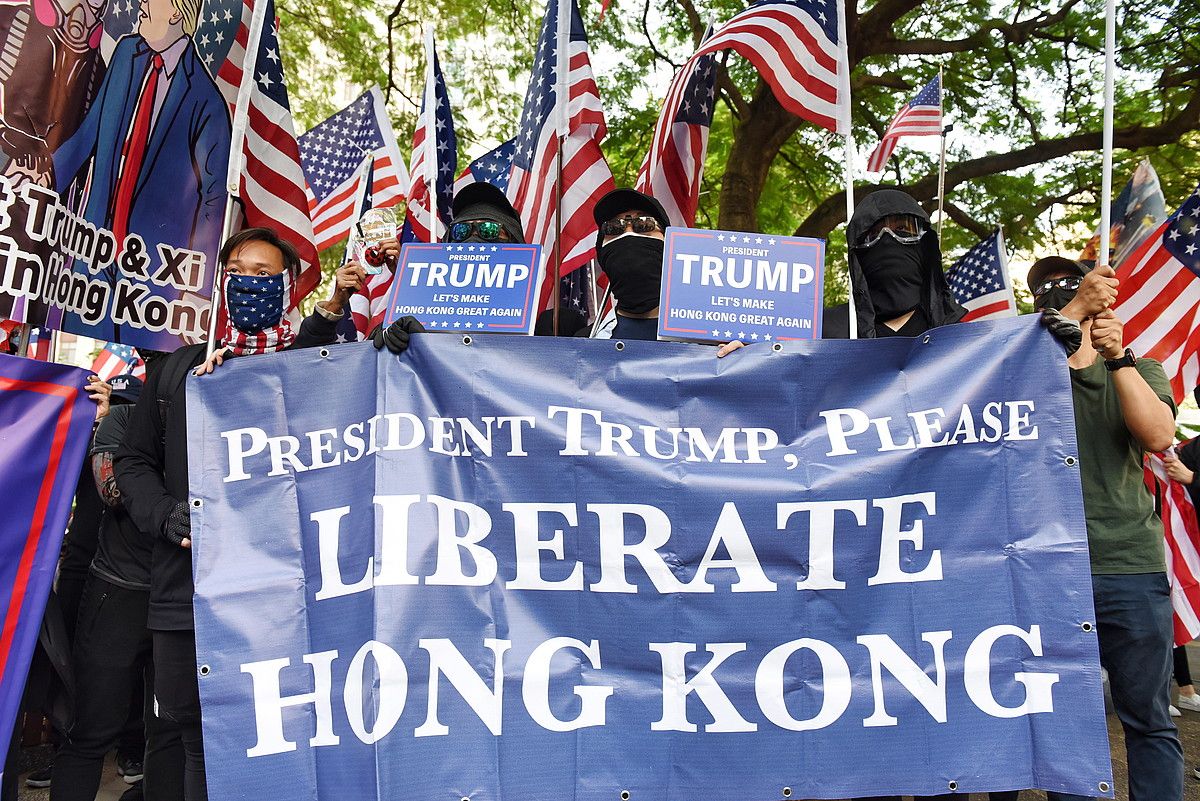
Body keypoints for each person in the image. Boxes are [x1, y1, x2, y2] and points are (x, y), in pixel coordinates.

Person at [114, 227, 363, 801]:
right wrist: (166, 515)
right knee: (190, 739)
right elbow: (133, 461)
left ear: (286, 287)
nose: (249, 282)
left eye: (264, 274)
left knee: (277, 736)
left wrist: (348, 316)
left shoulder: (310, 368)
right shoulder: (178, 371)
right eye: (239, 271)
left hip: (287, 598)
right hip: (190, 596)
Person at [1032, 254, 1183, 801]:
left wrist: (1117, 357)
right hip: (1049, 570)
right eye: (1046, 291)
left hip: (1128, 566)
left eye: (1069, 286)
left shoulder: (1142, 370)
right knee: (1069, 721)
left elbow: (1159, 436)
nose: (1057, 293)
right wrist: (1071, 314)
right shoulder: (1028, 371)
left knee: (1148, 716)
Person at [52, 374, 184, 801]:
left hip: (181, 596)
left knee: (169, 731)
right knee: (91, 728)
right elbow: (112, 492)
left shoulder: (210, 421)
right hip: (119, 594)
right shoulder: (123, 420)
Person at [591, 188, 669, 342]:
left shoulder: (707, 342)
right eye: (613, 228)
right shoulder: (580, 341)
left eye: (645, 224)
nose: (628, 234)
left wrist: (731, 358)